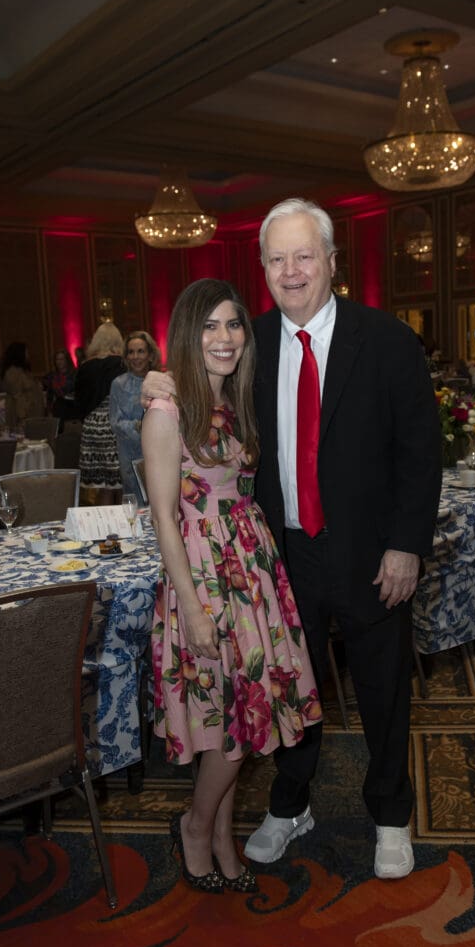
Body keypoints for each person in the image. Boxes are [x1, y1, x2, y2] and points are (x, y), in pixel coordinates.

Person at [143, 198, 442, 880]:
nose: (290, 270)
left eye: (303, 255)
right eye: (275, 259)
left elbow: (419, 453)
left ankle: (390, 816)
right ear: (262, 270)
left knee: (382, 690)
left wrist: (406, 544)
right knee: (287, 691)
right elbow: (192, 390)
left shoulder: (388, 340)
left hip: (373, 556)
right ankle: (289, 803)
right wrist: (150, 380)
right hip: (277, 559)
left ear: (332, 261)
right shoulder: (252, 344)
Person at [141, 278, 321, 894]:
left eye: (234, 325)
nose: (225, 338)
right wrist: (191, 607)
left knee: (246, 714)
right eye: (211, 326)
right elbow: (164, 516)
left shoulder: (236, 400)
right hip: (205, 579)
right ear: (189, 334)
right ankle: (197, 826)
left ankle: (217, 832)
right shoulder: (168, 411)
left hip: (250, 568)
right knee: (234, 720)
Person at [74, 323, 125, 504]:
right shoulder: (120, 364)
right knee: (119, 483)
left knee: (103, 484)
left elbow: (78, 400)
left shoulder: (86, 366)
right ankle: (121, 527)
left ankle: (102, 527)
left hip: (91, 426)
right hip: (113, 425)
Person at [109, 331, 161, 504]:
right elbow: (115, 422)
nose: (136, 357)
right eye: (131, 352)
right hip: (129, 453)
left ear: (150, 355)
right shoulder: (118, 384)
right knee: (136, 506)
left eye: (141, 351)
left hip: (160, 451)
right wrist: (139, 426)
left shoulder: (160, 381)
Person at [0, 342, 44, 427]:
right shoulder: (12, 373)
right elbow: (17, 396)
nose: (28, 355)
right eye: (26, 352)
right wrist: (22, 417)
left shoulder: (23, 371)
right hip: (23, 415)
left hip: (32, 413)